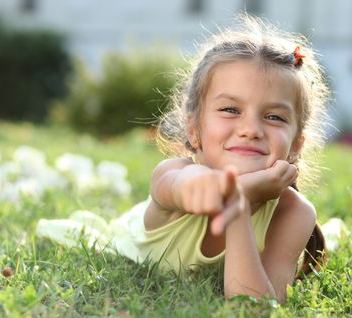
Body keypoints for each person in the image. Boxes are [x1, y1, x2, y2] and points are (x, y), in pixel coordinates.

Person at [37, 15, 330, 303]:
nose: (251, 129)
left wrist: (237, 210)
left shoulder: (294, 213)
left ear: (295, 145)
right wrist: (237, 195)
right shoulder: (173, 175)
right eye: (230, 110)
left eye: (274, 117)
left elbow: (253, 306)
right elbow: (198, 188)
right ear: (194, 129)